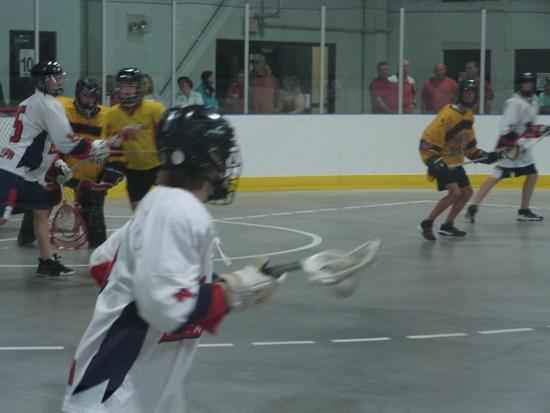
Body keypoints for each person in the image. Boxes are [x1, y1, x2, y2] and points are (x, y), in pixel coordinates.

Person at [61, 105, 281, 413]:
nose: (224, 163)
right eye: (219, 153)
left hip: (129, 389)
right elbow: (167, 306)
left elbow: (101, 263)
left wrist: (209, 285)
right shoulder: (181, 211)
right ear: (202, 158)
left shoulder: (157, 205)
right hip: (115, 398)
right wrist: (231, 291)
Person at [0, 61, 110, 276]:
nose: (59, 82)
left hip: (27, 172)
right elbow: (65, 142)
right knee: (3, 218)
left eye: (60, 77)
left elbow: (41, 139)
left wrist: (57, 163)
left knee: (41, 211)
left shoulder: (30, 102)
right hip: (16, 171)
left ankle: (46, 261)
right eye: (55, 78)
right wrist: (92, 147)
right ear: (42, 81)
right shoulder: (49, 105)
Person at [16, 77, 125, 248]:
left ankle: (96, 241)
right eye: (85, 96)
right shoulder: (61, 109)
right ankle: (27, 234)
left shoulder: (108, 116)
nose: (89, 101)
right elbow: (49, 139)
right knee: (43, 196)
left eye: (92, 97)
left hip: (90, 176)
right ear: (77, 95)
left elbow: (118, 147)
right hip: (61, 167)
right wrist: (56, 163)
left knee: (96, 229)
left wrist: (114, 168)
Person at [418, 79, 500, 241]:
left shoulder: (469, 116)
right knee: (455, 193)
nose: (470, 95)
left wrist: (483, 156)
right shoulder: (447, 114)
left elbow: (468, 145)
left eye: (473, 93)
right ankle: (426, 224)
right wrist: (432, 159)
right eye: (467, 92)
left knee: (467, 192)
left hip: (455, 161)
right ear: (460, 94)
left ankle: (447, 225)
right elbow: (426, 142)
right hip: (441, 161)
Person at [465, 73, 549, 223]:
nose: (527, 85)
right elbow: (505, 128)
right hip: (510, 147)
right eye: (524, 82)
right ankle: (473, 206)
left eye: (529, 82)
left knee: (532, 174)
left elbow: (528, 128)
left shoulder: (534, 102)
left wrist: (543, 130)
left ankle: (524, 210)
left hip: (522, 149)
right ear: (520, 85)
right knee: (497, 175)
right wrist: (513, 144)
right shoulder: (514, 103)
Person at [102, 67, 166, 210]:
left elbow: (168, 133)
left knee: (167, 207)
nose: (127, 90)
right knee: (138, 211)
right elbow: (107, 143)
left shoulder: (154, 108)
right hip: (133, 169)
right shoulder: (112, 114)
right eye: (123, 86)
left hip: (158, 166)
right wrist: (117, 139)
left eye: (131, 86)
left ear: (139, 88)